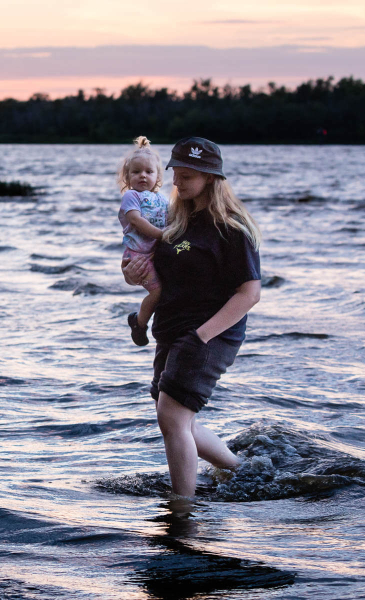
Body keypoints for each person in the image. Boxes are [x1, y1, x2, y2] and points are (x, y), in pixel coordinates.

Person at [122, 137, 262, 499]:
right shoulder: (177, 222)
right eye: (175, 175)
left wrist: (202, 335)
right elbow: (167, 261)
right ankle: (241, 471)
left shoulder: (230, 229)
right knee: (175, 418)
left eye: (187, 177)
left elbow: (249, 293)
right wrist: (133, 274)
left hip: (208, 331)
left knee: (171, 416)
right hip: (170, 327)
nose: (178, 183)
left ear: (211, 179)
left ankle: (182, 509)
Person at [117, 136, 168, 346]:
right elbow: (136, 221)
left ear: (158, 176)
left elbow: (173, 220)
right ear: (127, 177)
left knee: (163, 287)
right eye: (136, 172)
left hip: (155, 252)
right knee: (157, 291)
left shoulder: (163, 200)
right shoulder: (131, 197)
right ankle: (139, 323)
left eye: (149, 172)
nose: (143, 176)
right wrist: (162, 236)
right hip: (138, 254)